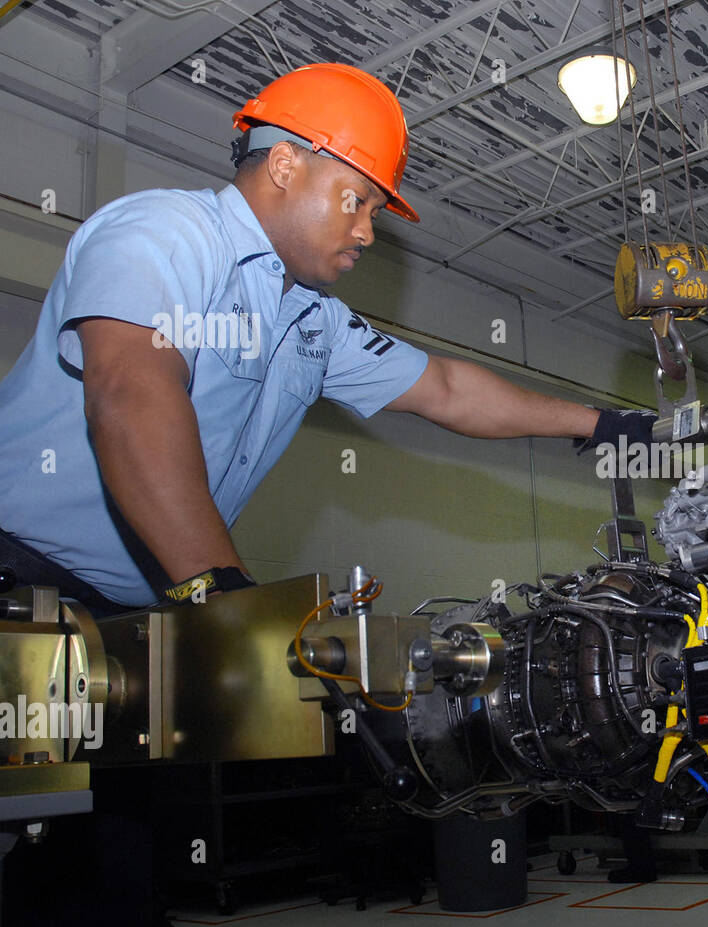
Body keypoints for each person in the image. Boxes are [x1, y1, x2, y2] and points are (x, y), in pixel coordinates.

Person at [0, 63, 650, 617]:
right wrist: (221, 597)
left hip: (146, 607)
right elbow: (128, 396)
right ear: (284, 164)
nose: (367, 232)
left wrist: (599, 424)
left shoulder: (313, 319)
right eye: (358, 201)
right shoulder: (169, 235)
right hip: (20, 577)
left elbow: (449, 391)